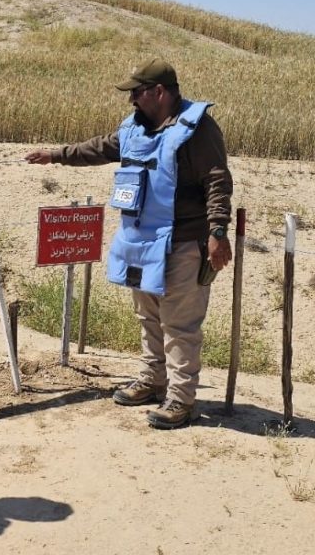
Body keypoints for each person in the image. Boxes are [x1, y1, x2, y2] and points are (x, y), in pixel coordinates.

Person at [25, 58, 233, 429]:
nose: (132, 100)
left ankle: (180, 401)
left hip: (184, 243)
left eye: (137, 93)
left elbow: (217, 180)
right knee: (148, 317)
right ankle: (153, 382)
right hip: (140, 241)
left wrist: (218, 232)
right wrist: (55, 155)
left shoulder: (198, 129)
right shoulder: (135, 128)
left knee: (179, 325)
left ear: (159, 92)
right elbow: (100, 148)